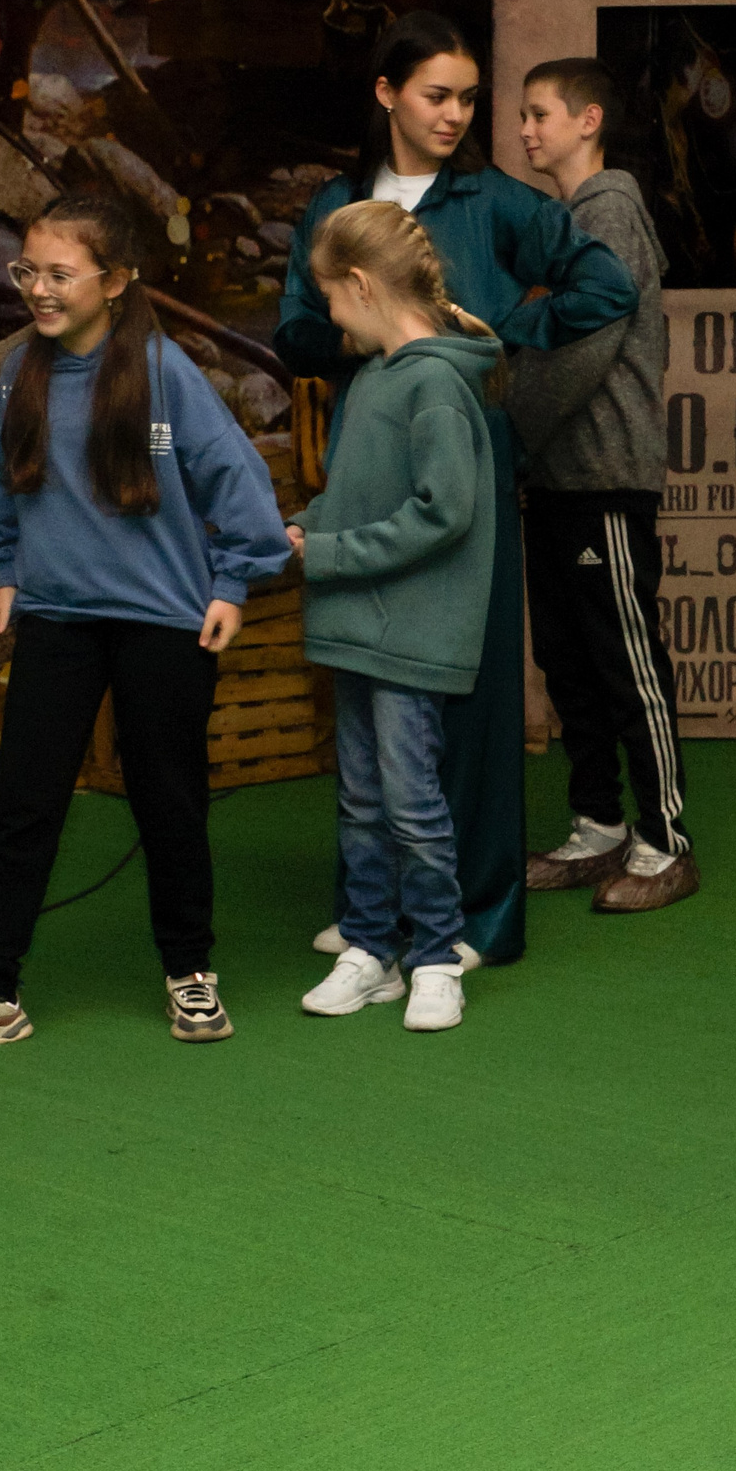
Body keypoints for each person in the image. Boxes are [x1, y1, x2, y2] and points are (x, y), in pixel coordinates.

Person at [277, 12, 638, 967]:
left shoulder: (496, 201)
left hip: (464, 467)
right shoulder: (333, 203)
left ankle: (476, 916)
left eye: (470, 97)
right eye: (438, 94)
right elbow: (293, 332)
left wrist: (484, 343)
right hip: (361, 465)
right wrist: (371, 334)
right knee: (365, 692)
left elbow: (607, 288)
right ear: (388, 93)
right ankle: (378, 917)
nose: (457, 113)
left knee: (468, 699)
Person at [0, 193, 291, 1059]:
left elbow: (239, 483)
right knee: (22, 803)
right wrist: (6, 568)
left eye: (60, 274)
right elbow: (2, 476)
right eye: (28, 271)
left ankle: (190, 969)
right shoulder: (19, 372)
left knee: (170, 802)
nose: (39, 289)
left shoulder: (164, 371)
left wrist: (233, 583)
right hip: (58, 619)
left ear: (114, 282)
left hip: (164, 622)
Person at [288, 202, 506, 1033]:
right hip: (357, 629)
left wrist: (332, 554)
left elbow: (444, 511)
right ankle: (371, 948)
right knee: (362, 799)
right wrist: (316, 521)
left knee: (412, 800)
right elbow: (364, 495)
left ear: (361, 284)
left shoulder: (434, 384)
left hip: (410, 636)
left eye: (330, 299)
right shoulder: (379, 376)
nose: (329, 316)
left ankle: (437, 954)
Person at [508, 56, 695, 913]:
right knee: (567, 660)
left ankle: (665, 842)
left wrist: (509, 427)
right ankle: (598, 826)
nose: (525, 130)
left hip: (601, 477)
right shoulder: (566, 216)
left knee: (626, 661)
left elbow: (584, 349)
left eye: (540, 113)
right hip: (555, 477)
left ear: (589, 120)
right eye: (521, 116)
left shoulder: (608, 209)